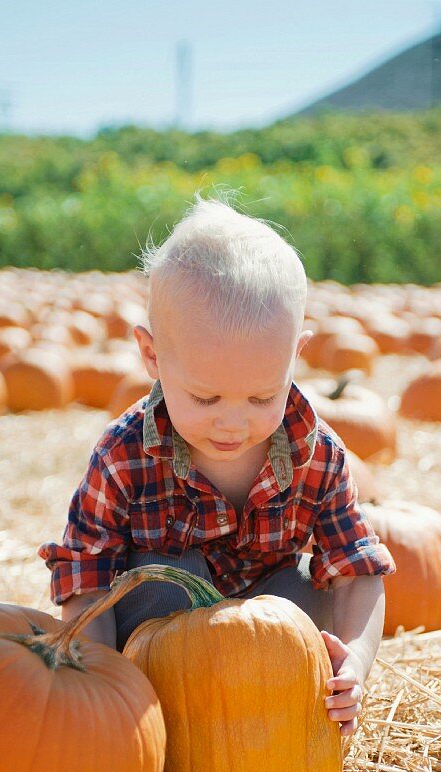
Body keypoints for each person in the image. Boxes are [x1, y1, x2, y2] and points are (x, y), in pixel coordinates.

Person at [39, 198, 394, 737]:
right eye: (205, 398)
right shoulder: (122, 455)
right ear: (152, 356)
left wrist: (356, 665)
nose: (233, 424)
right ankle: (171, 732)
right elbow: (85, 580)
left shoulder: (318, 453)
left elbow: (357, 572)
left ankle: (280, 727)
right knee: (168, 584)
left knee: (304, 593)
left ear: (294, 355)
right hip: (164, 650)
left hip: (270, 649)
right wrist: (98, 686)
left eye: (260, 396)